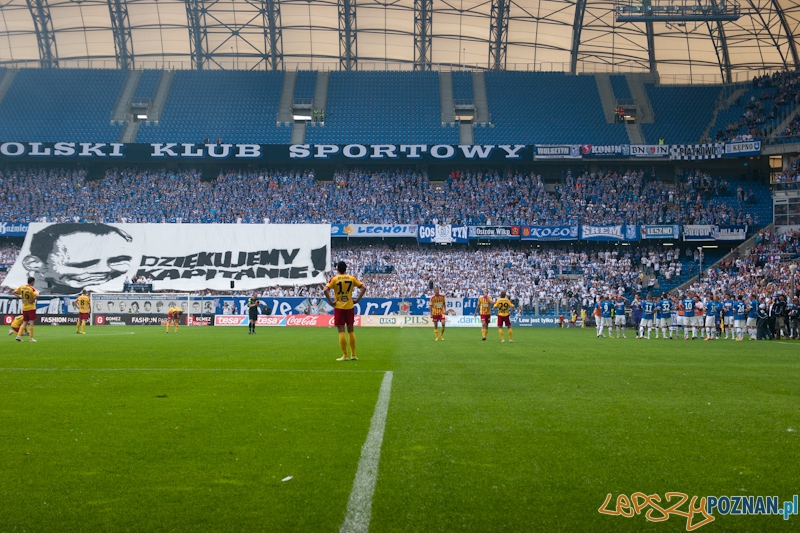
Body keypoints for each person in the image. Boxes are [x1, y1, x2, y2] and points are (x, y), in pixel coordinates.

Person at [20, 223, 134, 295]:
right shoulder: (32, 293)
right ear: (34, 264)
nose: (104, 270)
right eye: (82, 264)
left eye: (117, 261)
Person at [324, 261, 366, 361]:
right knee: (351, 330)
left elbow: (325, 290)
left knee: (341, 331)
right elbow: (363, 288)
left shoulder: (334, 279)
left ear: (337, 269)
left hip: (339, 306)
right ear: (346, 269)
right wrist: (357, 300)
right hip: (350, 306)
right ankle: (354, 355)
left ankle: (345, 355)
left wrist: (331, 302)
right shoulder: (352, 278)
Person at [13, 277, 38, 342]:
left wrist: (20, 297)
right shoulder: (32, 289)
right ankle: (31, 338)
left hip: (24, 308)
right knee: (31, 323)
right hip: (31, 308)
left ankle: (18, 336)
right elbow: (37, 295)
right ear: (32, 282)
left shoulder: (22, 287)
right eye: (34, 282)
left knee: (24, 323)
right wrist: (32, 300)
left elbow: (14, 292)